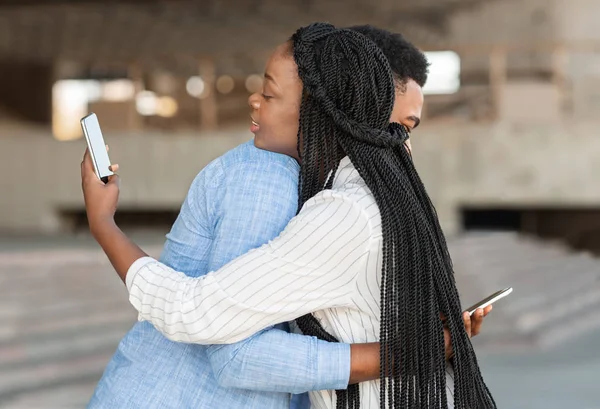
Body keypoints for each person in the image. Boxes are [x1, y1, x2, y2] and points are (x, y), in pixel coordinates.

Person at [82, 23, 495, 409]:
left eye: (271, 93)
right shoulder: (270, 175)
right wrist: (413, 351)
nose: (399, 141)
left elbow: (206, 321)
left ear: (319, 109)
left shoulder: (342, 201)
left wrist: (104, 225)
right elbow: (232, 351)